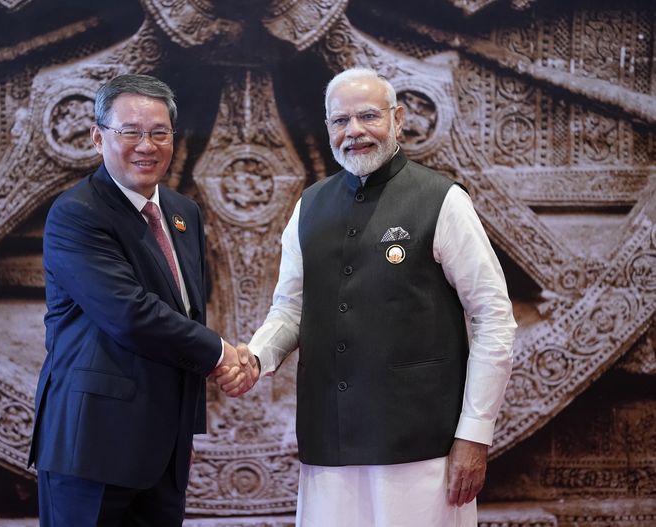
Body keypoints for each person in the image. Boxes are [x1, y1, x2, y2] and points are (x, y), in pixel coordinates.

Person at [243, 67, 517, 526]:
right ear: (328, 128)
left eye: (368, 116)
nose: (354, 132)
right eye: (340, 121)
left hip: (423, 449)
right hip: (328, 443)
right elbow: (291, 309)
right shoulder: (308, 207)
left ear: (398, 119)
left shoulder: (442, 200)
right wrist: (254, 358)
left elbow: (493, 317)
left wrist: (475, 434)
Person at [28, 74, 255, 527]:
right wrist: (221, 353)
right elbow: (131, 315)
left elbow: (188, 310)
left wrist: (181, 433)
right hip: (91, 447)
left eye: (159, 132)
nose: (146, 145)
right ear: (98, 137)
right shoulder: (77, 214)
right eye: (130, 131)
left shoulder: (182, 212)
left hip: (163, 453)